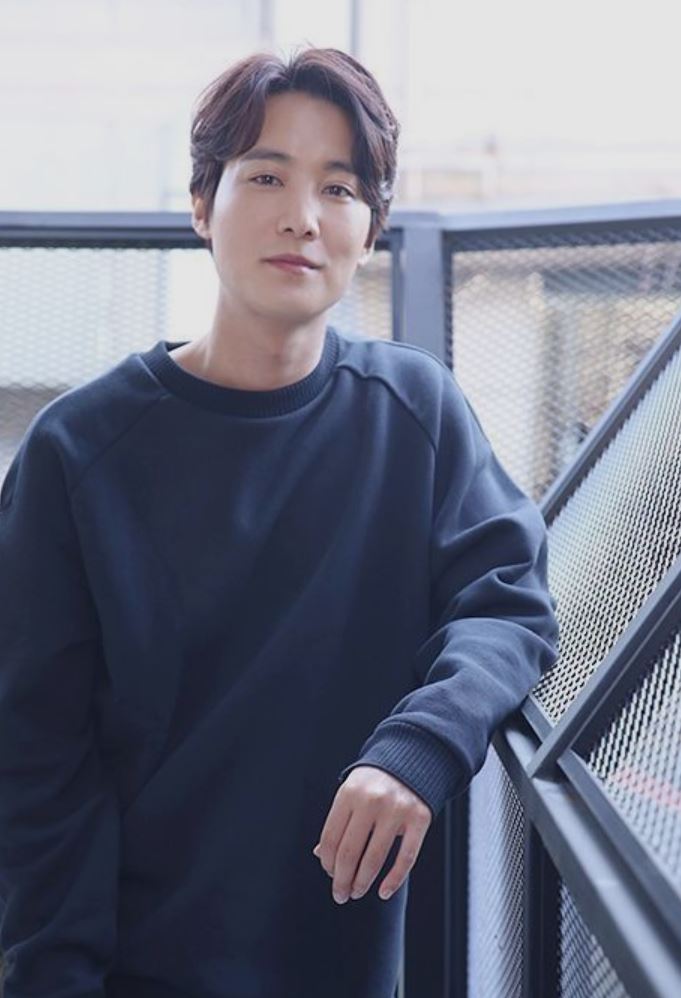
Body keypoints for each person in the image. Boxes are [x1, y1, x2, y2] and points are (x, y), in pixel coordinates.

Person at [0, 45, 559, 998]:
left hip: (344, 960)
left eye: (339, 188)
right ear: (201, 204)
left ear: (370, 231)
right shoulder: (76, 451)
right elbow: (34, 765)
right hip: (127, 969)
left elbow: (508, 603)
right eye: (265, 176)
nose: (302, 215)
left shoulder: (415, 414)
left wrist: (418, 748)